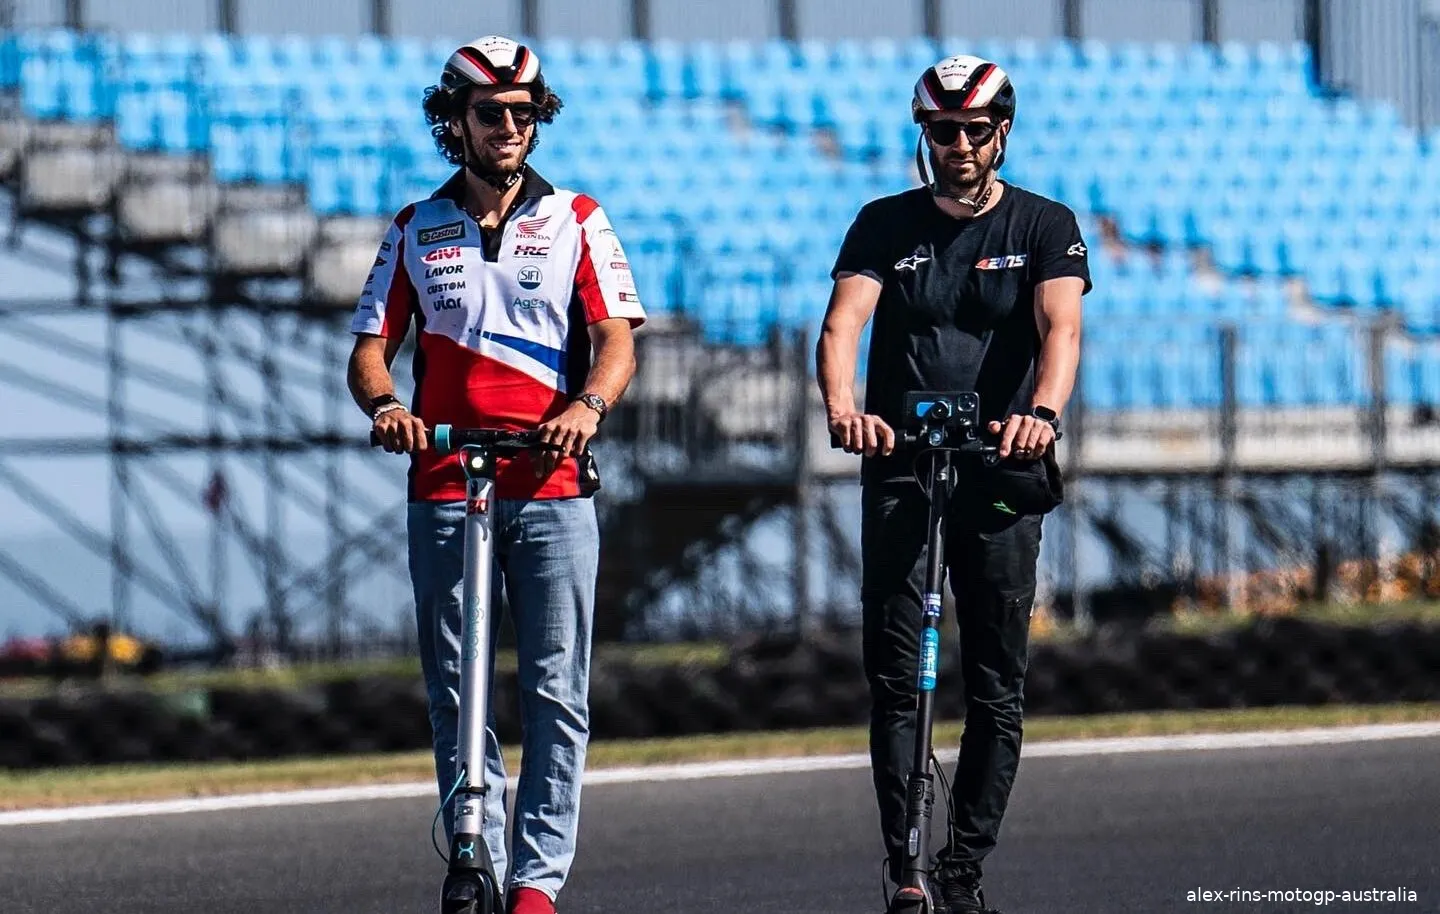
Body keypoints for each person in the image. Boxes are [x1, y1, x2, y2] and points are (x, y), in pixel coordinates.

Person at [345, 35, 645, 914]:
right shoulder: (415, 227)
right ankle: (472, 846)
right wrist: (386, 408)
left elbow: (618, 341)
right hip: (444, 484)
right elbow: (370, 352)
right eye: (491, 114)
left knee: (556, 687)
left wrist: (584, 409)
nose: (509, 128)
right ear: (457, 123)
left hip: (552, 488)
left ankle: (538, 884)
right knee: (455, 683)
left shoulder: (578, 219)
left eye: (522, 114)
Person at [816, 54, 1090, 914]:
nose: (961, 145)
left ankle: (963, 868)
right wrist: (842, 408)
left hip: (1001, 466)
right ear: (925, 136)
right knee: (899, 677)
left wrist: (1038, 416)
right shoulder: (882, 223)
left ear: (1000, 134)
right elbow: (841, 325)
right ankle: (904, 866)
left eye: (975, 131)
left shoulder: (1046, 224)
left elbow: (1061, 330)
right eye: (945, 132)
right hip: (902, 461)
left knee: (997, 682)